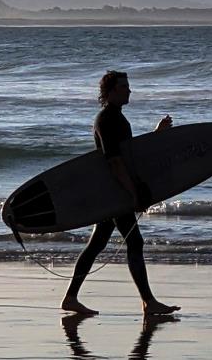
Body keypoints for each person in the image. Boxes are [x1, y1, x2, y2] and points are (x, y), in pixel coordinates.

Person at [60, 71, 180, 316]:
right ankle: (148, 302)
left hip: (112, 190)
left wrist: (157, 135)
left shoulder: (115, 118)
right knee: (135, 241)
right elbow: (114, 161)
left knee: (97, 244)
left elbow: (128, 154)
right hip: (114, 190)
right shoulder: (106, 120)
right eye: (124, 87)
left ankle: (71, 298)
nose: (129, 91)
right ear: (112, 91)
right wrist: (133, 193)